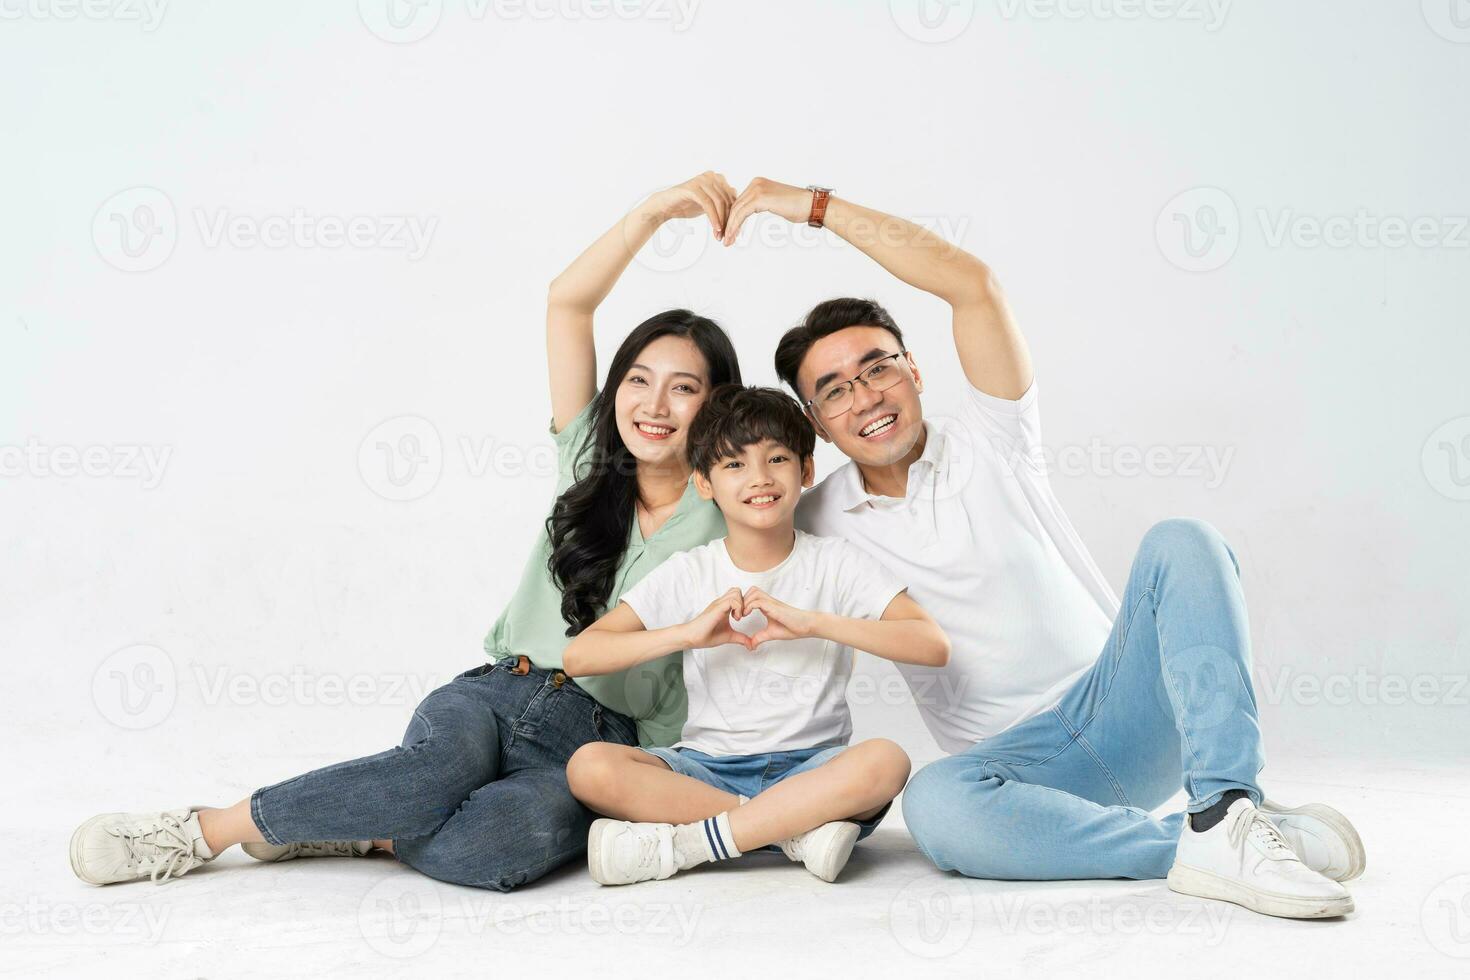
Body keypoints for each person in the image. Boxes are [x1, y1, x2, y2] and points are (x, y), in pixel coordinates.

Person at [69, 172, 745, 890]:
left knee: (502, 842)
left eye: (684, 387)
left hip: (599, 744)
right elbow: (566, 303)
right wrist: (651, 213)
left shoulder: (732, 507)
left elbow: (808, 471)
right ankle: (207, 829)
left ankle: (354, 825)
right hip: (496, 693)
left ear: (717, 405)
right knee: (433, 775)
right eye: (639, 380)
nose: (655, 404)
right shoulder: (588, 457)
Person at [720, 177, 1365, 919]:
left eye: (878, 368)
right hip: (1021, 772)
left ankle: (1224, 806)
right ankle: (1214, 845)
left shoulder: (991, 436)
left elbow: (972, 286)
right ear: (816, 422)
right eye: (834, 390)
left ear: (914, 371)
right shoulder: (818, 518)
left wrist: (814, 207)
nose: (864, 397)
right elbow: (717, 504)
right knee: (934, 805)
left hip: (1128, 712)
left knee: (1184, 540)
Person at [561, 385, 949, 885]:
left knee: (886, 761)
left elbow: (931, 644)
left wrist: (813, 622)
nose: (759, 479)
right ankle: (792, 832)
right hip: (707, 768)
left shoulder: (836, 562)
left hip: (814, 770)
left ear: (806, 471)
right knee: (590, 767)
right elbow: (581, 655)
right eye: (734, 465)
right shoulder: (690, 572)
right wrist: (687, 634)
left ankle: (690, 845)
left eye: (777, 459)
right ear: (704, 483)